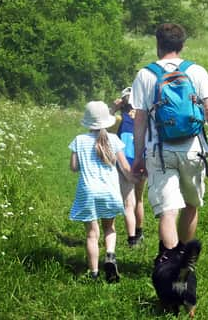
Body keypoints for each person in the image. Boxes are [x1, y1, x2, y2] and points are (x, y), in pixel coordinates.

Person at [130, 23, 208, 265]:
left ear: (158, 45)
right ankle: (186, 262)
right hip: (194, 150)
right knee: (190, 205)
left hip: (160, 151)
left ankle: (170, 261)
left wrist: (138, 156)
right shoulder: (196, 71)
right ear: (182, 45)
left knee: (168, 210)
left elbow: (140, 120)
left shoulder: (145, 75)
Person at [69, 100, 136, 282]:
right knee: (110, 228)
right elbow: (125, 167)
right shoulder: (114, 140)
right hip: (110, 192)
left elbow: (74, 167)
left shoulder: (79, 141)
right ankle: (110, 255)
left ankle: (94, 273)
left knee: (92, 234)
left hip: (88, 192)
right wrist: (134, 179)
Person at [111, 87, 147, 247]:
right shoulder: (145, 117)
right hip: (142, 160)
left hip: (123, 163)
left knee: (127, 200)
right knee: (139, 199)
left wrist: (113, 108)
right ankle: (138, 233)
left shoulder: (119, 118)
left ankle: (128, 236)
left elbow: (99, 127)